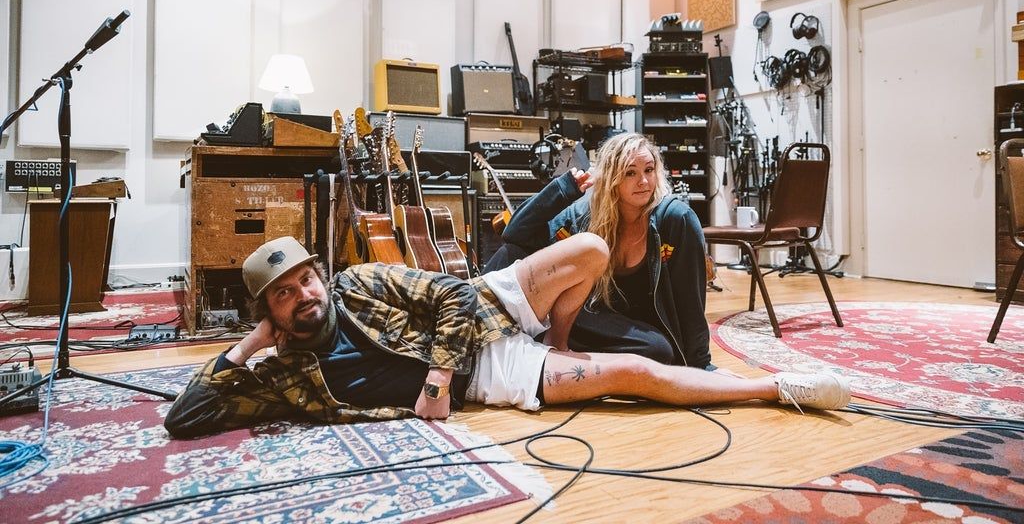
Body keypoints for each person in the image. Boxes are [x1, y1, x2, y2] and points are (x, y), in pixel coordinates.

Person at [164, 235, 850, 439]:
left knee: (590, 249)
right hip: (491, 374)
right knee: (633, 374)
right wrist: (249, 345)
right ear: (269, 311)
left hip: (484, 307)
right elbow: (185, 416)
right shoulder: (284, 374)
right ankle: (775, 387)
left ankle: (564, 339)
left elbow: (455, 295)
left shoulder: (358, 284)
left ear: (320, 274)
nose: (305, 296)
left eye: (305, 280)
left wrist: (435, 382)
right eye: (284, 295)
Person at [485, 132, 714, 370]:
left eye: (649, 170)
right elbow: (515, 235)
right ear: (611, 177)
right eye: (630, 172)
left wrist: (702, 366)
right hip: (578, 315)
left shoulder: (676, 219)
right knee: (510, 254)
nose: (644, 181)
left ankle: (538, 353)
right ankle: (480, 325)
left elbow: (692, 300)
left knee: (659, 351)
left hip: (627, 329)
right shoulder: (583, 215)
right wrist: (561, 190)